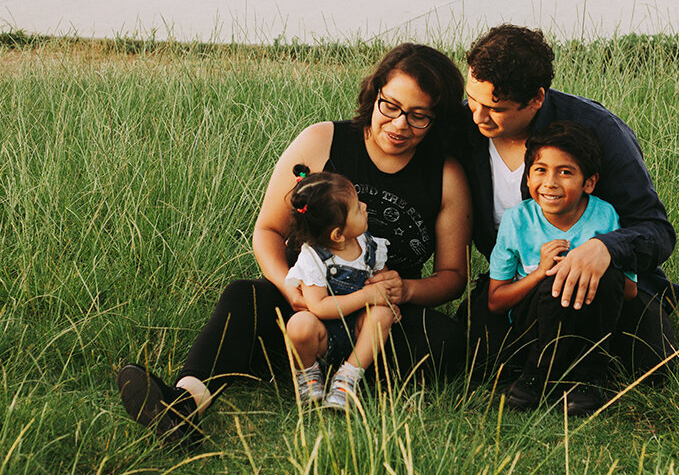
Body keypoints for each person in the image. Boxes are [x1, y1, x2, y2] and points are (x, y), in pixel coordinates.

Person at [118, 43, 471, 443]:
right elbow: (268, 230)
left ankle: (328, 373)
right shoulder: (323, 141)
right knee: (242, 297)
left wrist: (405, 289)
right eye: (389, 105)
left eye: (418, 116)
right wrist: (289, 285)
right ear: (373, 94)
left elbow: (452, 275)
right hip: (302, 304)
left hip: (380, 320)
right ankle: (185, 403)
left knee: (448, 340)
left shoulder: (446, 174)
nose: (399, 124)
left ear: (437, 120)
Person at [456, 25, 679, 399]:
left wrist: (605, 248)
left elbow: (656, 230)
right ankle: (547, 366)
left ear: (536, 99)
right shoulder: (461, 126)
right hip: (521, 279)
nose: (478, 116)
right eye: (472, 99)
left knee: (650, 364)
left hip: (597, 285)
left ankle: (580, 372)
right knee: (475, 360)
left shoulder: (597, 130)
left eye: (496, 109)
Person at [487, 121, 637, 415]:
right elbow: (495, 301)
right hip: (534, 325)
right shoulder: (517, 220)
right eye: (540, 170)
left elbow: (628, 290)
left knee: (588, 271)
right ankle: (536, 375)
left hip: (589, 325)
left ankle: (588, 377)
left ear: (589, 183)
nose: (550, 182)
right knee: (556, 275)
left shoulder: (604, 216)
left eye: (565, 172)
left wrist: (589, 265)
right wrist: (541, 271)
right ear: (528, 178)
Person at [282, 164, 398, 411]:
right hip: (324, 336)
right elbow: (319, 306)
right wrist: (367, 295)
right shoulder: (313, 258)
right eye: (357, 208)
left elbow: (382, 280)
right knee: (299, 324)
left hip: (361, 334)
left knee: (382, 313)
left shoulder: (370, 246)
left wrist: (388, 301)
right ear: (337, 234)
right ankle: (309, 373)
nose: (364, 206)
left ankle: (347, 378)